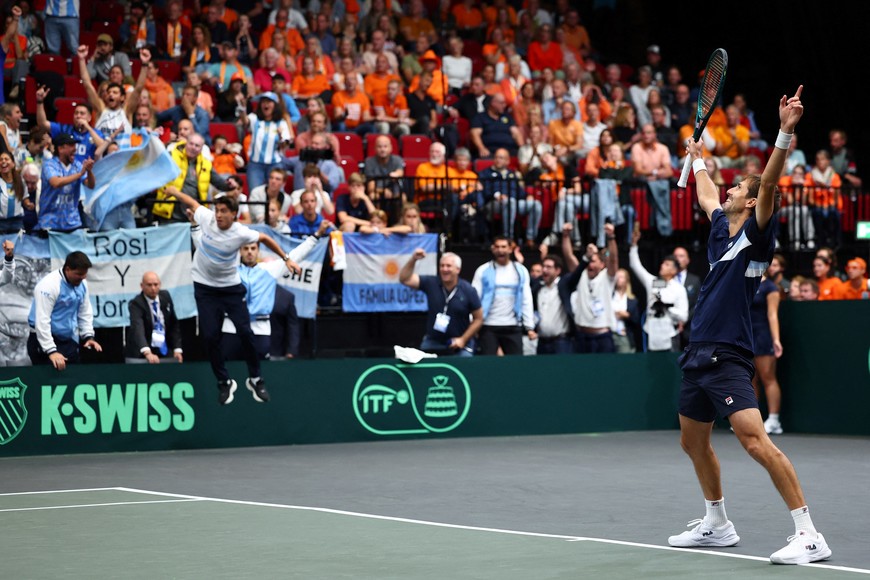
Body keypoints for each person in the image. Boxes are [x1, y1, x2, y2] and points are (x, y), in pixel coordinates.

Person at [672, 85, 832, 565]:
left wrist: (784, 134)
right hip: (698, 349)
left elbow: (769, 183)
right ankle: (716, 523)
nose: (729, 190)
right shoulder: (721, 226)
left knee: (753, 440)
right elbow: (703, 194)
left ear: (755, 198)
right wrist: (698, 158)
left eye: (737, 187)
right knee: (692, 441)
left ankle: (808, 532)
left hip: (729, 352)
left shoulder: (758, 236)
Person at [165, 187, 301, 405]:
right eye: (217, 210)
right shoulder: (208, 218)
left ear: (233, 214)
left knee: (246, 333)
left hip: (229, 288)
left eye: (223, 212)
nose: (218, 215)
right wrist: (174, 191)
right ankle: (224, 382)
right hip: (204, 287)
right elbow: (190, 201)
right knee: (210, 337)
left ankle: (256, 379)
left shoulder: (241, 232)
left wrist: (287, 259)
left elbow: (265, 238)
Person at [220, 222, 326, 362]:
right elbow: (209, 256)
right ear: (240, 251)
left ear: (258, 251)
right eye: (246, 248)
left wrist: (316, 235)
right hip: (231, 328)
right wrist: (196, 227)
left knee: (260, 375)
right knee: (230, 374)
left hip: (260, 329)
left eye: (253, 248)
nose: (249, 252)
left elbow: (296, 255)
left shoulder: (269, 269)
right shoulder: (231, 270)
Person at [399, 249, 483, 356]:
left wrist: (463, 339)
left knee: (465, 361)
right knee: (421, 365)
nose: (444, 269)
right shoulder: (431, 282)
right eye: (442, 266)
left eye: (448, 266)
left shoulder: (468, 290)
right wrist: (413, 259)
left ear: (458, 269)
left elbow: (478, 319)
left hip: (458, 342)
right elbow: (404, 279)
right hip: (433, 341)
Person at [27, 251, 102, 369]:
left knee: (74, 379)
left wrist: (88, 336)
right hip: (42, 340)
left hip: (66, 341)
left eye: (85, 274)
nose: (83, 277)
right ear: (67, 269)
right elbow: (42, 321)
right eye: (79, 274)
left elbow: (84, 312)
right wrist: (51, 351)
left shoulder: (82, 283)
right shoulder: (48, 286)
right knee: (49, 384)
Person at [471, 236, 536, 355]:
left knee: (515, 365)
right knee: (488, 365)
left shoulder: (520, 270)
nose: (500, 250)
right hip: (488, 326)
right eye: (497, 247)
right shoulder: (482, 270)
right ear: (492, 249)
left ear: (510, 249)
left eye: (503, 247)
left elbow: (526, 299)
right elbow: (474, 299)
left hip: (513, 325)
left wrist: (529, 326)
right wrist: (473, 324)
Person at [629, 228, 688, 352]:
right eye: (663, 263)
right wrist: (634, 245)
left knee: (670, 368)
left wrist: (667, 307)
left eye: (667, 265)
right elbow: (635, 266)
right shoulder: (652, 282)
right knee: (651, 368)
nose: (662, 266)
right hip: (651, 331)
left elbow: (684, 315)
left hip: (670, 333)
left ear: (674, 271)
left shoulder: (678, 289)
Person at [750, 260, 784, 435]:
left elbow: (772, 315)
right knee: (750, 379)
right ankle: (752, 421)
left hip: (763, 336)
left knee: (767, 377)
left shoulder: (770, 287)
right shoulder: (745, 283)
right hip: (746, 337)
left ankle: (774, 420)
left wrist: (776, 340)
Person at [36, 133, 95, 233]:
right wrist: (80, 174)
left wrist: (89, 171)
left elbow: (91, 185)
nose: (75, 149)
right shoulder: (49, 164)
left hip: (73, 222)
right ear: (60, 149)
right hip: (50, 223)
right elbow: (55, 182)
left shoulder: (77, 165)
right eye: (71, 146)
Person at [125, 272, 184, 364]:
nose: (153, 288)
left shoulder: (165, 296)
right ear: (142, 286)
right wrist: (147, 352)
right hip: (143, 350)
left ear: (160, 285)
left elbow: (173, 324)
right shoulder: (136, 303)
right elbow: (137, 328)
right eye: (149, 285)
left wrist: (177, 349)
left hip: (163, 347)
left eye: (155, 284)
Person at [631, 123, 673, 238]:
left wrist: (653, 174)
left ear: (654, 134)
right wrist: (656, 172)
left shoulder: (663, 148)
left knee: (661, 184)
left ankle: (661, 228)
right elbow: (638, 170)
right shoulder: (636, 147)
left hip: (658, 182)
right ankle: (659, 225)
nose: (646, 135)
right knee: (655, 185)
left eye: (649, 132)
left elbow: (669, 171)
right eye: (644, 133)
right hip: (642, 184)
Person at [532, 254, 574, 354]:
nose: (545, 270)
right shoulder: (538, 287)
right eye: (544, 266)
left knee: (562, 369)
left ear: (558, 270)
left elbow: (576, 273)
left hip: (561, 342)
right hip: (542, 341)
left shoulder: (564, 285)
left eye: (549, 267)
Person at [611, 268, 640, 353]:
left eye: (621, 277)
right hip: (610, 334)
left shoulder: (632, 300)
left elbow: (636, 320)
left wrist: (627, 316)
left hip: (624, 334)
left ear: (627, 280)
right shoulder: (609, 296)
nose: (618, 279)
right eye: (617, 276)